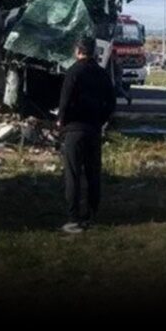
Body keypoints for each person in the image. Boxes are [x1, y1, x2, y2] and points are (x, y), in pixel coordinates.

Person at [57, 37, 116, 234]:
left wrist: (61, 121)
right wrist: (101, 120)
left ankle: (73, 218)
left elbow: (65, 100)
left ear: (77, 51)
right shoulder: (102, 74)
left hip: (74, 130)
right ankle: (92, 214)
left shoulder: (73, 71)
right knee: (93, 173)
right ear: (94, 52)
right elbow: (111, 102)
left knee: (73, 174)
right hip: (93, 129)